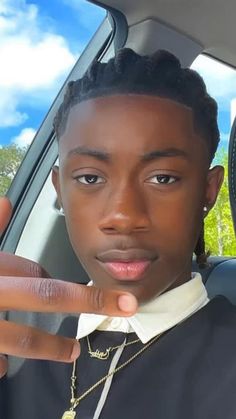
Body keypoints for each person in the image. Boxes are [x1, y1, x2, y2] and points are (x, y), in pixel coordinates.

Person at [0, 48, 234, 418]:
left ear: (207, 191)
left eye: (163, 178)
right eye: (90, 178)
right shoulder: (10, 333)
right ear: (61, 191)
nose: (123, 217)